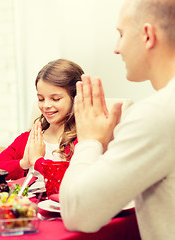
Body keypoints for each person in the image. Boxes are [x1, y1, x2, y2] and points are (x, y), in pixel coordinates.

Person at [59, 0, 175, 239]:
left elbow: (78, 213)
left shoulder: (158, 113)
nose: (116, 48)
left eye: (121, 34)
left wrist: (89, 140)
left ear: (147, 35)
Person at [0, 59, 81, 186]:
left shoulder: (83, 141)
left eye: (55, 99)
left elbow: (72, 183)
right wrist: (23, 163)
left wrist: (37, 161)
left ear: (75, 98)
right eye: (41, 99)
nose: (46, 105)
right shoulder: (29, 139)